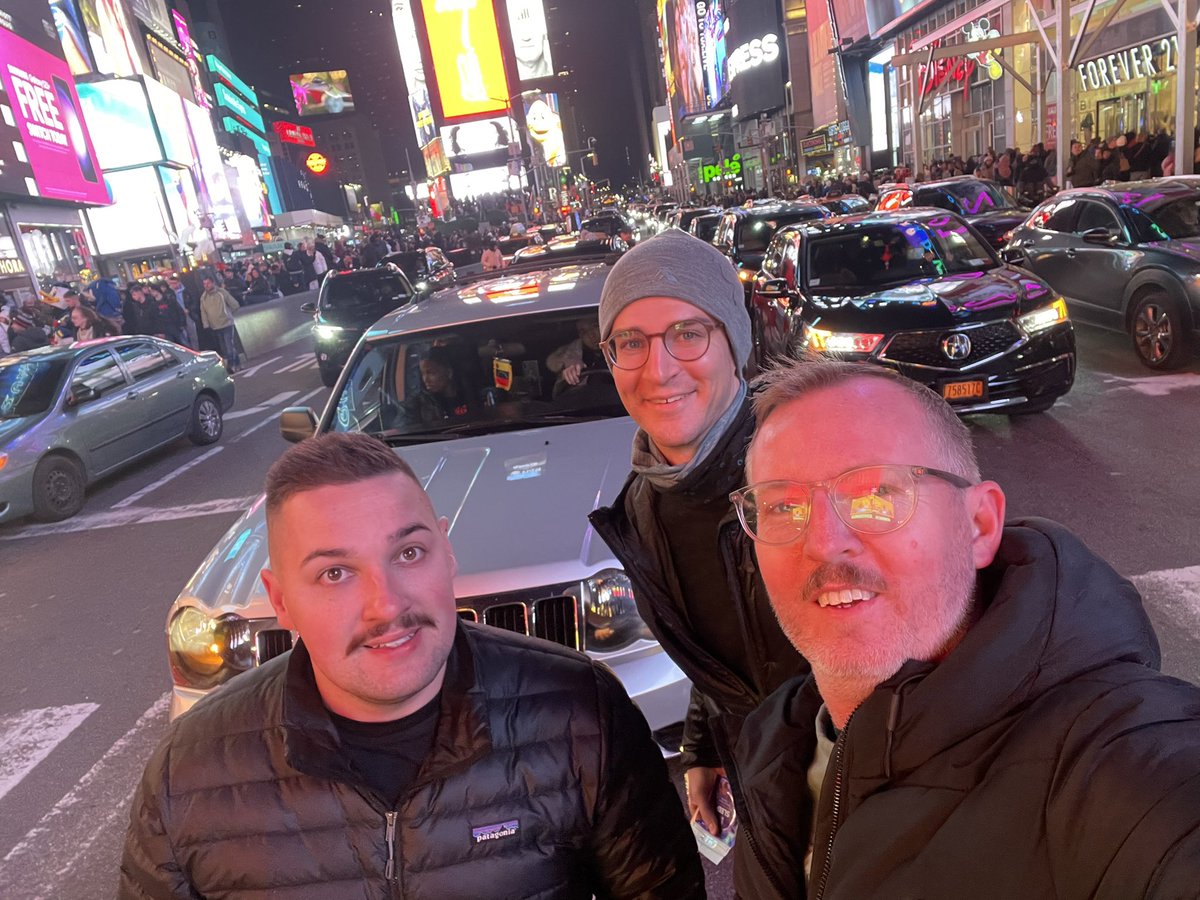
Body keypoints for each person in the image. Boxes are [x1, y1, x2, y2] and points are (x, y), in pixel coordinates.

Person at [118, 432, 704, 898]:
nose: (388, 604)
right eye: (334, 573)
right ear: (280, 601)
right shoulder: (188, 776)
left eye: (409, 552)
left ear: (446, 551)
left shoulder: (582, 714)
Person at [728, 358, 1200, 899]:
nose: (822, 541)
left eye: (876, 494)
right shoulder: (771, 747)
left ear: (979, 525)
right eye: (783, 506)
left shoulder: (1116, 769)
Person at [588, 229, 807, 837]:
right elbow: (724, 649)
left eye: (688, 334)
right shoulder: (646, 504)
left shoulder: (812, 464)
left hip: (874, 798)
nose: (659, 370)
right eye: (631, 342)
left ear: (733, 343)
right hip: (767, 797)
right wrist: (703, 746)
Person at [546, 315, 607, 395]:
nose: (591, 335)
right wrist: (568, 361)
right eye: (583, 332)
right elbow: (551, 361)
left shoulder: (617, 342)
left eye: (594, 326)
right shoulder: (577, 347)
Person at [199, 275, 241, 372]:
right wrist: (206, 324)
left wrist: (228, 314)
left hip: (226, 323)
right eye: (204, 284)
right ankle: (237, 363)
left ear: (213, 283)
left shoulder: (222, 293)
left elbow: (234, 304)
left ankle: (232, 366)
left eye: (208, 283)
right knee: (225, 347)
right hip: (215, 326)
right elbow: (203, 312)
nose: (206, 285)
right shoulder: (203, 297)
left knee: (228, 345)